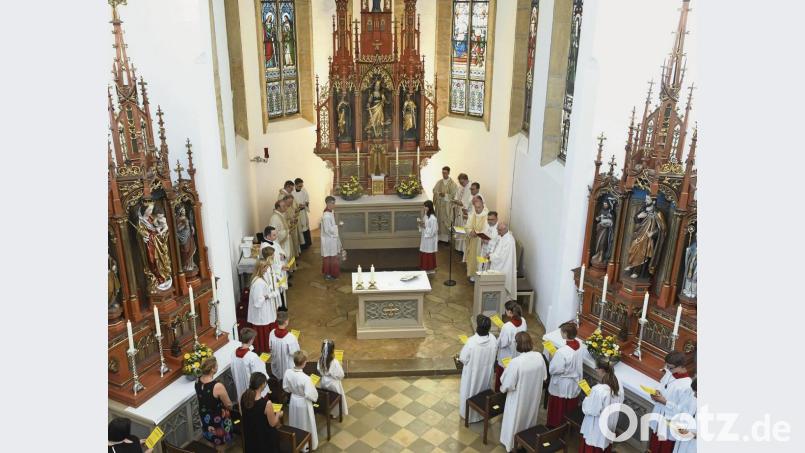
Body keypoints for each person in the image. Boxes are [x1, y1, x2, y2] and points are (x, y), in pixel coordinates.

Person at [499, 332, 547, 452]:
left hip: (518, 399)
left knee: (515, 420)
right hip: (533, 396)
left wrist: (503, 385)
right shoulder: (539, 357)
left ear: (517, 344)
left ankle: (511, 444)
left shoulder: (516, 362)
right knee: (529, 418)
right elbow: (544, 377)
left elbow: (507, 384)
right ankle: (528, 440)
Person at [648, 352, 695, 453]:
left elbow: (683, 411)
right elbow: (661, 384)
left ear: (682, 366)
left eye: (670, 367)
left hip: (670, 423)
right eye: (667, 366)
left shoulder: (687, 385)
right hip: (660, 416)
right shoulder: (670, 373)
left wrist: (665, 402)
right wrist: (656, 392)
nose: (668, 370)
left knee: (664, 448)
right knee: (653, 446)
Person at [579, 359, 625, 453]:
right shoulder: (618, 385)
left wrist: (588, 398)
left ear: (601, 370)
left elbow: (589, 409)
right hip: (609, 425)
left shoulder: (599, 390)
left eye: (596, 368)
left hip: (596, 428)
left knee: (593, 447)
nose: (596, 370)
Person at [458, 314, 498, 423]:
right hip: (486, 374)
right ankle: (480, 415)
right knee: (483, 391)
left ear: (477, 327)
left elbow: (463, 358)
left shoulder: (471, 342)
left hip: (472, 375)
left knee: (469, 392)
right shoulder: (493, 339)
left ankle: (468, 416)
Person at [546, 322, 584, 427]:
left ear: (566, 334)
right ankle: (567, 426)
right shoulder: (579, 346)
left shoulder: (562, 352)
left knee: (559, 407)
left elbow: (554, 370)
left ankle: (555, 426)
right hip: (573, 382)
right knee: (569, 406)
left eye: (561, 332)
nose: (560, 333)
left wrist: (553, 357)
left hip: (562, 383)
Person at [195, 357, 234, 452]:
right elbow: (228, 404)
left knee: (210, 440)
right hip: (218, 419)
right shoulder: (217, 386)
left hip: (205, 418)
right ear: (212, 369)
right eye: (216, 365)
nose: (217, 366)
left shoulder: (197, 381)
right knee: (221, 444)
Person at [283, 350, 320, 450]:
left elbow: (285, 388)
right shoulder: (306, 378)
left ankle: (296, 442)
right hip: (304, 402)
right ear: (304, 363)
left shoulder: (288, 372)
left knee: (295, 421)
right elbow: (312, 395)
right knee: (305, 422)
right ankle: (306, 445)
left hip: (293, 400)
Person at [248, 249, 280, 353]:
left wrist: (269, 288)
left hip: (265, 310)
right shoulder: (258, 283)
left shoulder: (259, 279)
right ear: (261, 268)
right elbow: (258, 301)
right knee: (263, 332)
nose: (267, 269)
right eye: (266, 267)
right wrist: (269, 295)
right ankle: (264, 348)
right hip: (261, 312)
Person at [240, 372, 282, 453]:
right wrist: (278, 413)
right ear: (262, 385)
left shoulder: (243, 396)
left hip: (250, 435)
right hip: (264, 438)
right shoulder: (266, 404)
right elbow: (273, 423)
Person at [495, 301, 527, 392]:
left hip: (507, 356)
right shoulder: (523, 320)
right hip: (517, 353)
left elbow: (503, 343)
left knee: (503, 376)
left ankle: (500, 395)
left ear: (509, 312)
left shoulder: (507, 326)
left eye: (506, 310)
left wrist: (497, 340)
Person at [232, 327, 270, 403]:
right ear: (250, 340)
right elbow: (260, 375)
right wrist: (261, 362)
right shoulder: (252, 357)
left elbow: (233, 371)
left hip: (241, 387)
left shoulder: (233, 354)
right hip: (253, 392)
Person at [318, 339, 348, 417]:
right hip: (333, 383)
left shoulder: (320, 360)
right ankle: (335, 413)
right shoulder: (334, 362)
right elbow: (341, 375)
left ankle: (327, 410)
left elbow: (319, 370)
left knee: (327, 397)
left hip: (324, 381)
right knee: (335, 397)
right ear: (332, 350)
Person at [261, 226, 289, 307]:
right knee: (276, 290)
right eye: (274, 235)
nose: (276, 236)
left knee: (280, 290)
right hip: (275, 272)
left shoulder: (273, 242)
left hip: (280, 269)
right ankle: (280, 307)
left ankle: (282, 305)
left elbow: (281, 250)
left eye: (276, 234)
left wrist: (283, 255)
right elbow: (269, 263)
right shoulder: (265, 247)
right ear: (267, 236)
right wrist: (280, 267)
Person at [488, 222, 517, 300]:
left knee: (503, 291)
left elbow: (501, 257)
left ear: (505, 229)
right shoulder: (503, 236)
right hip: (502, 264)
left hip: (505, 267)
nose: (498, 232)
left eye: (499, 230)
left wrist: (490, 256)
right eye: (497, 229)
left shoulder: (509, 240)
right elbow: (498, 251)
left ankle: (502, 304)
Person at [268, 311, 300, 381]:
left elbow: (270, 347)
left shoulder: (272, 333)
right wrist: (295, 341)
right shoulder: (291, 337)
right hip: (287, 366)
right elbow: (295, 353)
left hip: (276, 364)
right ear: (286, 322)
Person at [465, 195, 489, 282]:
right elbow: (467, 227)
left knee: (481, 259)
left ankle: (481, 277)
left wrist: (478, 233)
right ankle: (473, 275)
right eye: (475, 207)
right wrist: (471, 231)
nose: (477, 209)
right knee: (473, 258)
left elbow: (488, 231)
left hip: (482, 243)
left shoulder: (487, 216)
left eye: (479, 207)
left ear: (483, 205)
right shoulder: (472, 215)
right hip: (474, 241)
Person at [432, 166, 458, 242]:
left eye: (445, 173)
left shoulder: (452, 184)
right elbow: (434, 191)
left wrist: (446, 195)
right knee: (439, 221)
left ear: (449, 173)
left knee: (447, 221)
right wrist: (439, 194)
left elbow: (454, 195)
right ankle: (439, 238)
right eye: (443, 173)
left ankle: (447, 239)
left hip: (447, 206)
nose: (444, 174)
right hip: (439, 206)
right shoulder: (439, 182)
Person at [673, 378, 698, 453]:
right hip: (682, 441)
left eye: (697, 392)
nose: (694, 395)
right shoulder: (694, 400)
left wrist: (692, 434)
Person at [321, 196, 341, 280]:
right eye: (333, 203)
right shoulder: (326, 216)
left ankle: (331, 273)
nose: (334, 205)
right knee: (329, 257)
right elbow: (327, 230)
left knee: (332, 257)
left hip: (331, 239)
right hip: (328, 240)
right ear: (328, 203)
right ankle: (328, 274)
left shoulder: (330, 212)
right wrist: (337, 226)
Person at [269, 200, 292, 269]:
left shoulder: (280, 215)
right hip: (280, 243)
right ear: (278, 208)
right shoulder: (274, 218)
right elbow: (274, 233)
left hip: (285, 240)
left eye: (285, 206)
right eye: (283, 206)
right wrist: (287, 232)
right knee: (282, 260)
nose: (286, 208)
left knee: (285, 259)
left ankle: (286, 272)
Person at [452, 173, 472, 254]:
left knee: (464, 229)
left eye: (462, 182)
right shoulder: (460, 187)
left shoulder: (470, 188)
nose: (461, 184)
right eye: (460, 182)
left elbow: (469, 201)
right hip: (458, 211)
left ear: (466, 180)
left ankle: (463, 249)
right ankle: (458, 247)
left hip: (465, 212)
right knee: (458, 228)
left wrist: (462, 203)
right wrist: (455, 201)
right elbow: (457, 197)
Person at [418, 200, 438, 274]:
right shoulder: (426, 215)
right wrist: (421, 224)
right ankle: (424, 267)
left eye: (425, 206)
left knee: (428, 253)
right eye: (424, 206)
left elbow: (433, 231)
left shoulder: (433, 218)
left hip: (429, 239)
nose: (424, 208)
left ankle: (430, 269)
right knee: (424, 251)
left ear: (429, 207)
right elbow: (425, 225)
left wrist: (424, 226)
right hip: (425, 237)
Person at [293, 178, 311, 250]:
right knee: (299, 228)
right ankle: (301, 246)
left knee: (304, 226)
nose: (301, 187)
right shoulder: (292, 192)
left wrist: (305, 205)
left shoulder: (304, 190)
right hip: (296, 213)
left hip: (303, 212)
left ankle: (307, 243)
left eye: (302, 186)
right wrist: (297, 206)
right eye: (299, 186)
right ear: (295, 185)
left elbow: (307, 200)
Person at [282, 193, 302, 258]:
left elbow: (292, 215)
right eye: (289, 202)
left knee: (294, 243)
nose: (291, 204)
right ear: (285, 201)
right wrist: (291, 221)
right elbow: (283, 220)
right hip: (288, 230)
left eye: (291, 202)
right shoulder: (283, 209)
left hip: (293, 228)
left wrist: (295, 216)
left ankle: (295, 256)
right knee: (290, 246)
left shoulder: (290, 207)